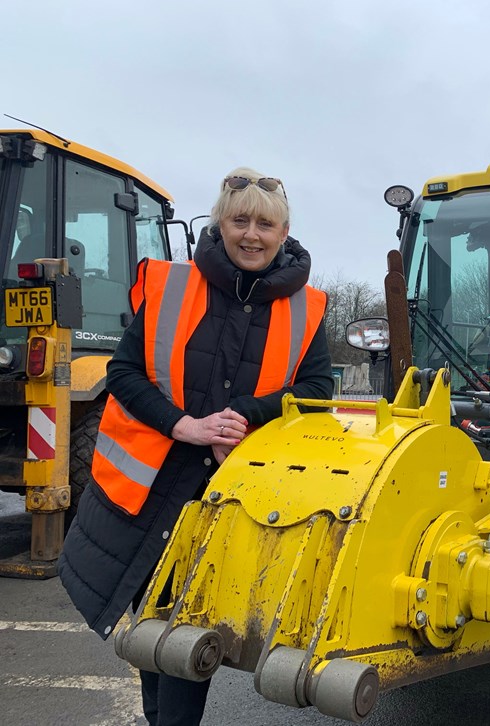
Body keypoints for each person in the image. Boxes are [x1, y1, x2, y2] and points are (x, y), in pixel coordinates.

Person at [58, 168, 334, 725]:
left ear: (284, 232)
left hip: (232, 498)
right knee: (153, 634)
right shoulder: (171, 284)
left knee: (187, 634)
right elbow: (126, 373)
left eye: (265, 223)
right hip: (150, 490)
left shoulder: (309, 307)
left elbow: (317, 390)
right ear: (219, 222)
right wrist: (182, 424)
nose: (250, 234)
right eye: (239, 220)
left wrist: (245, 417)